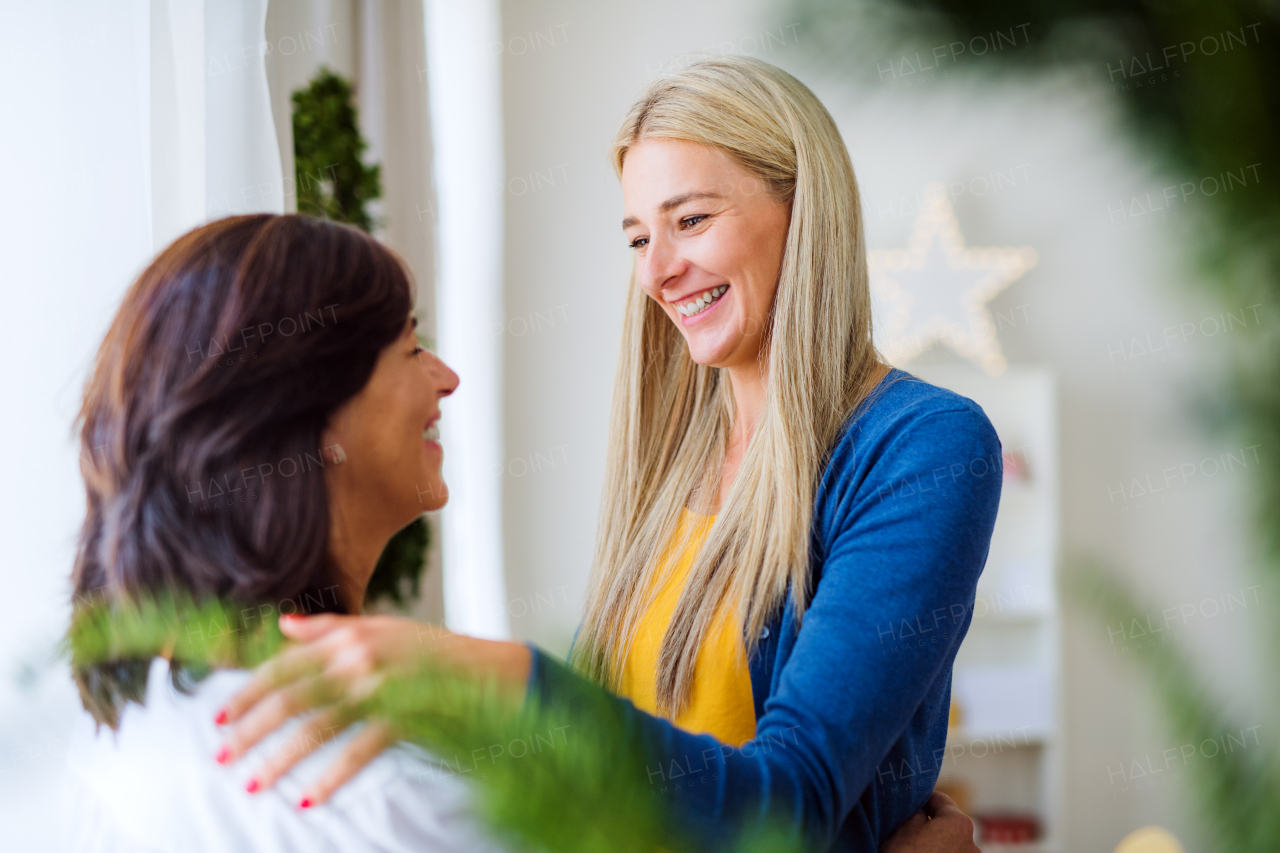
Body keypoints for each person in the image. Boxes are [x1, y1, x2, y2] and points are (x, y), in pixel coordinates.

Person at [219, 57, 999, 852]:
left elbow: (786, 807)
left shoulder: (920, 445)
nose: (657, 272)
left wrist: (506, 676)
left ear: (805, 210)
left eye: (690, 220)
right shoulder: (668, 457)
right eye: (638, 236)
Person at [63, 213, 507, 852]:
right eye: (411, 348)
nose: (446, 378)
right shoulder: (383, 798)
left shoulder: (122, 729)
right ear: (316, 411)